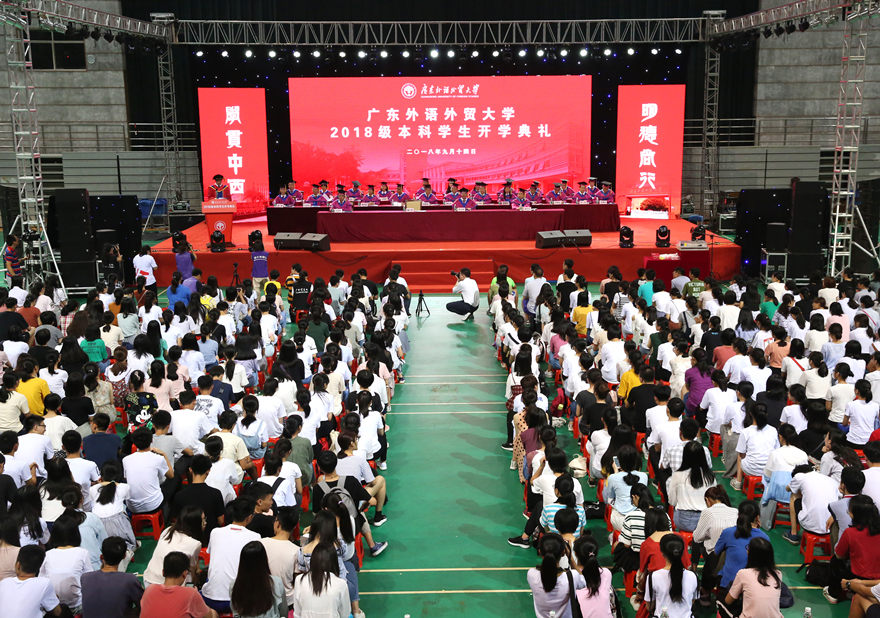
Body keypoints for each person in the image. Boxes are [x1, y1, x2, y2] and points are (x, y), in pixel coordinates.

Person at [201, 497, 261, 613]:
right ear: (249, 517)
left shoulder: (215, 532)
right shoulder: (255, 537)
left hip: (210, 599)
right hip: (239, 602)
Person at [39, 515, 93, 614]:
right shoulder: (83, 553)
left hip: (52, 608)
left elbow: (41, 581)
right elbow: (89, 581)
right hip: (76, 606)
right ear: (76, 534)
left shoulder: (47, 555)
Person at [714, 500, 769, 595]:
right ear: (757, 517)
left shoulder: (728, 532)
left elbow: (716, 552)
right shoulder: (764, 538)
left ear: (738, 515)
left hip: (728, 585)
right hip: (753, 587)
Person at [140, 551, 218, 618]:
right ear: (184, 574)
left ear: (163, 572)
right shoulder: (190, 593)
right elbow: (209, 615)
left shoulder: (149, 589)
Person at [80, 536, 143, 618]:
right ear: (124, 556)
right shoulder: (130, 580)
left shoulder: (85, 578)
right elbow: (143, 603)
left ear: (101, 556)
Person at [526, 532, 585, 618]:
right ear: (563, 553)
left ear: (540, 552)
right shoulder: (572, 577)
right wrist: (570, 557)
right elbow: (583, 582)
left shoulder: (532, 574)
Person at [720, 537, 783, 618]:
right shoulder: (778, 574)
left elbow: (728, 600)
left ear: (751, 555)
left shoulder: (743, 574)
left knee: (720, 598)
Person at [142, 506, 204, 587]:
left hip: (148, 581)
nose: (205, 522)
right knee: (190, 573)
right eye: (203, 520)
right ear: (195, 523)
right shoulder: (195, 544)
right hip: (168, 586)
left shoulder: (168, 530)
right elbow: (192, 568)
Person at [644, 533, 699, 618]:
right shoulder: (693, 576)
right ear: (682, 553)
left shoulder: (653, 577)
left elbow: (649, 607)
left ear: (662, 553)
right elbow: (692, 601)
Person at [0, 545, 61, 617]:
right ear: (40, 566)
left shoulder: (4, 583)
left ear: (18, 564)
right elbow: (57, 612)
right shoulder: (44, 583)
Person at [228, 541, 285, 618]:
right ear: (264, 560)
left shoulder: (234, 585)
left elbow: (236, 613)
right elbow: (284, 612)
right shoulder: (276, 582)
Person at [293, 543, 351, 618]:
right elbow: (345, 613)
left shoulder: (300, 580)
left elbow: (297, 613)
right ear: (334, 561)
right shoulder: (341, 583)